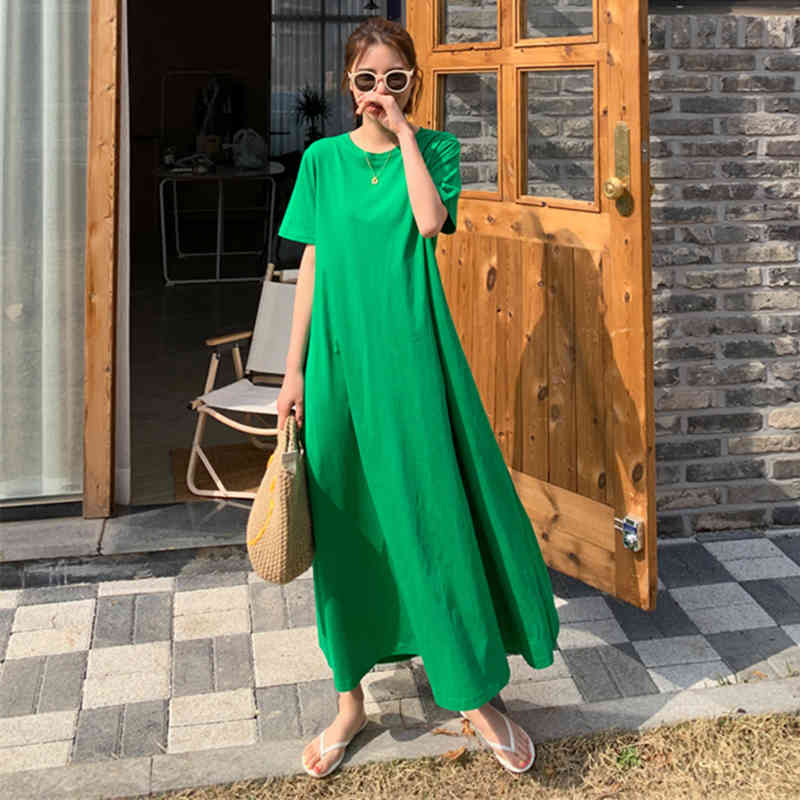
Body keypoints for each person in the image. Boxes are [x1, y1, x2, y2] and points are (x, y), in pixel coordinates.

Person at [275, 16, 560, 779]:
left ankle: (471, 690)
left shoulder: (434, 150)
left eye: (394, 78)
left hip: (411, 359)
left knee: (433, 516)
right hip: (337, 365)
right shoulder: (322, 160)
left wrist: (403, 132)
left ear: (413, 83)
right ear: (347, 84)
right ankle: (349, 703)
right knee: (344, 526)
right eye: (366, 78)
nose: (379, 90)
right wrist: (293, 372)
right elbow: (312, 263)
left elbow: (431, 223)